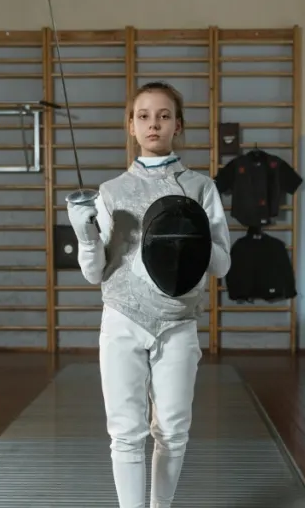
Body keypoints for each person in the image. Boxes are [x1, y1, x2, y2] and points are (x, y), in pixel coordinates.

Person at [67, 81, 232, 508]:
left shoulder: (200, 188)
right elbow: (92, 274)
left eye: (163, 115)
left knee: (173, 432)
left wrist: (187, 235)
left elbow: (221, 265)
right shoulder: (111, 192)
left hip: (179, 322)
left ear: (178, 124)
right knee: (126, 433)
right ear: (130, 126)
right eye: (143, 116)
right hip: (122, 319)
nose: (153, 123)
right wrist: (85, 233)